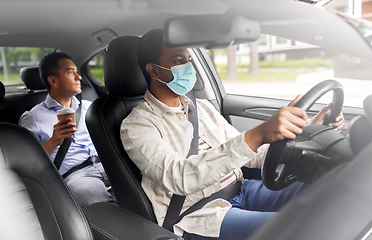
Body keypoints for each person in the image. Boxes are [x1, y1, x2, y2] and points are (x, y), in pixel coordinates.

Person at [120, 29, 345, 240]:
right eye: (178, 61)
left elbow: (251, 155)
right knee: (299, 227)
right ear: (154, 70)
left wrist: (305, 132)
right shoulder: (138, 126)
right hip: (199, 215)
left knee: (326, 189)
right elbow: (181, 178)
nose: (188, 67)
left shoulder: (203, 108)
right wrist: (259, 134)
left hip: (241, 189)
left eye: (188, 60)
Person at [19, 52, 115, 208]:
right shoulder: (33, 118)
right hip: (76, 175)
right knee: (101, 205)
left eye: (77, 71)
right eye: (71, 72)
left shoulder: (88, 107)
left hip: (107, 164)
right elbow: (25, 163)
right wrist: (54, 141)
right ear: (53, 80)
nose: (79, 77)